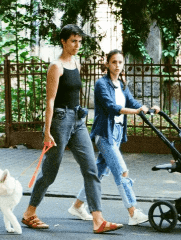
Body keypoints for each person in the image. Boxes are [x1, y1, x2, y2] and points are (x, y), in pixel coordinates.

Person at [21, 24, 123, 234]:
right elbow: (50, 101)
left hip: (78, 120)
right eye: (73, 41)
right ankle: (29, 213)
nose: (77, 45)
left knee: (91, 169)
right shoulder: (56, 67)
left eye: (79, 41)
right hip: (60, 121)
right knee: (50, 172)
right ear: (63, 41)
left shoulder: (75, 63)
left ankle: (98, 220)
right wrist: (47, 132)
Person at [68, 49, 160, 225]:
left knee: (98, 172)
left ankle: (77, 206)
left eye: (120, 62)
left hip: (117, 132)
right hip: (104, 133)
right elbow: (111, 107)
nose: (117, 65)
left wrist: (147, 108)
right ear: (107, 64)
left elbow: (131, 102)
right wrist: (135, 111)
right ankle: (132, 212)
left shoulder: (122, 84)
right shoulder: (101, 84)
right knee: (121, 171)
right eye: (114, 62)